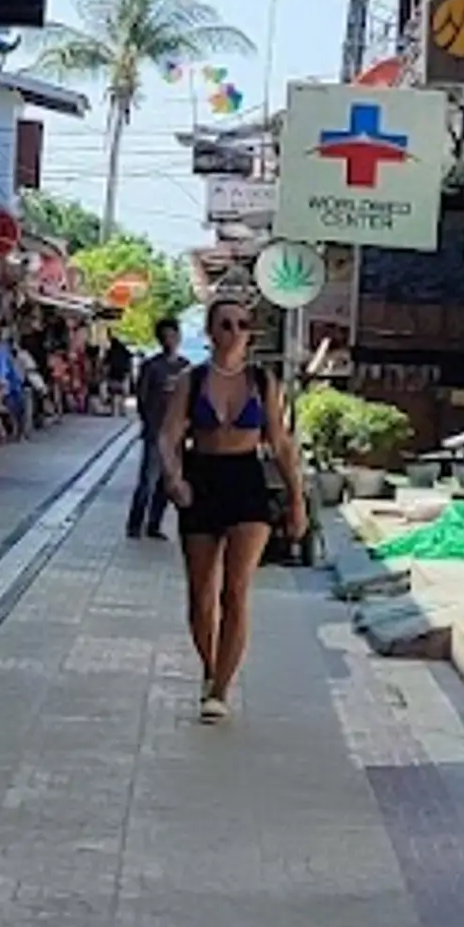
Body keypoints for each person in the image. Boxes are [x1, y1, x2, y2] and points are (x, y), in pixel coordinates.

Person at [173, 294, 301, 723]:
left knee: (236, 589)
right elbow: (167, 435)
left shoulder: (263, 382)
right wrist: (174, 478)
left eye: (241, 325)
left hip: (247, 482)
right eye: (225, 325)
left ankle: (221, 688)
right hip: (202, 478)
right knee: (200, 593)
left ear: (250, 334)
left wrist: (297, 498)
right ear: (210, 332)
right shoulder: (191, 381)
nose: (233, 333)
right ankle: (209, 668)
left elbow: (280, 444)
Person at [127, 311, 189, 539]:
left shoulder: (185, 367)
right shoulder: (152, 366)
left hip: (178, 433)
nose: (170, 340)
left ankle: (154, 524)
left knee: (168, 480)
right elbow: (142, 397)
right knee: (147, 480)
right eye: (165, 336)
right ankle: (135, 524)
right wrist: (149, 423)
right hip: (155, 431)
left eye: (173, 335)